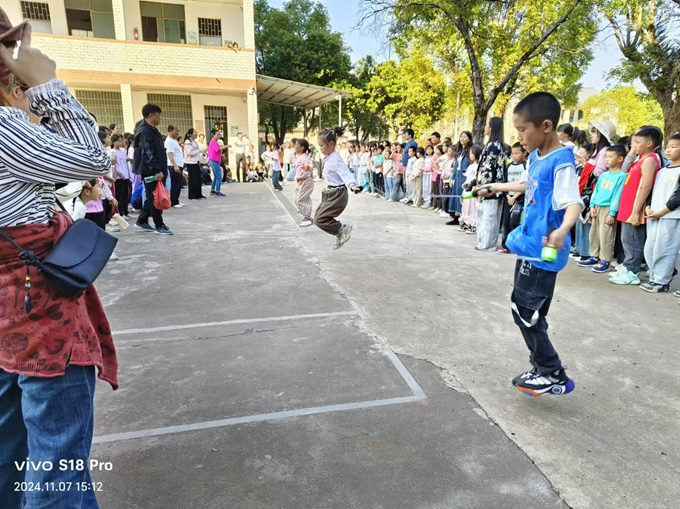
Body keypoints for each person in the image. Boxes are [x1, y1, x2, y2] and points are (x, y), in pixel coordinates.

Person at [0, 20, 118, 508]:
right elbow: (93, 157)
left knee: (12, 449)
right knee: (57, 463)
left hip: (8, 310)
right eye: (11, 46)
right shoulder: (5, 130)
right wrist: (48, 85)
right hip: (41, 310)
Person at [477, 92, 582, 396]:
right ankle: (542, 367)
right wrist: (495, 187)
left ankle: (552, 373)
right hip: (529, 246)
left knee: (526, 312)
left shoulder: (561, 163)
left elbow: (572, 202)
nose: (519, 136)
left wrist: (563, 229)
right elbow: (528, 185)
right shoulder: (537, 157)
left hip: (543, 251)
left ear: (546, 126)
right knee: (524, 309)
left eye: (523, 130)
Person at [610, 126, 663, 285]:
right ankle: (627, 268)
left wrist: (636, 211)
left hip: (635, 209)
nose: (634, 145)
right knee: (626, 240)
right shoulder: (638, 159)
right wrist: (632, 153)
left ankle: (632, 272)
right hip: (627, 208)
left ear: (649, 144)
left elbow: (646, 186)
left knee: (633, 242)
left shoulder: (649, 160)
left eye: (637, 142)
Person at [578, 145, 627, 273]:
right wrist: (592, 205)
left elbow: (617, 195)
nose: (607, 159)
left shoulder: (621, 176)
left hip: (608, 208)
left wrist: (612, 213)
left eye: (610, 157)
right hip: (597, 207)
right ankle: (594, 256)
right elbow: (596, 191)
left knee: (606, 235)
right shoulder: (604, 175)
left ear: (620, 158)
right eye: (606, 156)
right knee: (593, 233)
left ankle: (605, 259)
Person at [641, 133, 680, 292]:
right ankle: (656, 277)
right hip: (654, 215)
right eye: (668, 147)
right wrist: (648, 207)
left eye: (674, 147)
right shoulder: (663, 170)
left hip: (670, 216)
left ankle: (661, 282)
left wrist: (662, 212)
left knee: (665, 249)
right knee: (650, 248)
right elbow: (654, 191)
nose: (669, 150)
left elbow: (677, 197)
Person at [314, 127, 362, 249]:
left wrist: (352, 185)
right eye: (319, 146)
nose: (320, 149)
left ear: (331, 144)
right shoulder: (329, 157)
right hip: (330, 192)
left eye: (322, 146)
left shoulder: (335, 159)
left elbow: (345, 173)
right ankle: (340, 232)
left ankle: (342, 229)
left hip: (338, 194)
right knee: (317, 217)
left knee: (319, 219)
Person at [134, 103, 173, 234]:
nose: (160, 118)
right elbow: (147, 153)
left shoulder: (151, 130)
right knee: (155, 197)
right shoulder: (145, 131)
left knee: (153, 196)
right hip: (150, 170)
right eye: (158, 115)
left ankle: (142, 220)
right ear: (151, 115)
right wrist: (157, 170)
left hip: (155, 169)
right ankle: (159, 225)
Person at [475, 117, 509, 251]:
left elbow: (488, 170)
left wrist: (481, 187)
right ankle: (487, 243)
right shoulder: (498, 146)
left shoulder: (493, 146)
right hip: (496, 188)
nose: (485, 127)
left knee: (488, 218)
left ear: (492, 128)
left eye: (487, 125)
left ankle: (486, 244)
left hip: (490, 188)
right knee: (490, 217)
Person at [499, 142, 528, 252]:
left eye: (517, 153)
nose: (514, 156)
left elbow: (526, 184)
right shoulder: (509, 166)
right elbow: (505, 182)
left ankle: (517, 244)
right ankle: (506, 246)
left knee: (515, 222)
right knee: (506, 222)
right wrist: (508, 196)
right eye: (512, 154)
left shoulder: (526, 166)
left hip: (520, 198)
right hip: (508, 197)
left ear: (524, 153)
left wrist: (515, 196)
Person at [447, 131, 472, 225]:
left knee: (463, 197)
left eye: (465, 137)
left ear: (469, 139)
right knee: (456, 196)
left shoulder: (470, 151)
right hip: (457, 176)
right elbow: (456, 165)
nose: (462, 139)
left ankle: (464, 218)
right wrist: (452, 178)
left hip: (465, 176)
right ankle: (456, 217)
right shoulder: (459, 151)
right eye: (461, 137)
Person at [460, 144, 483, 233]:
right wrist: (465, 183)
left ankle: (474, 225)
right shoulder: (470, 166)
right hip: (467, 189)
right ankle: (467, 223)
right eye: (470, 153)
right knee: (466, 207)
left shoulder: (478, 166)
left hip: (473, 189)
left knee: (473, 207)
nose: (470, 155)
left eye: (472, 153)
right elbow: (468, 178)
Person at [294, 138, 314, 227]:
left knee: (301, 199)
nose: (294, 147)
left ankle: (308, 217)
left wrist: (307, 168)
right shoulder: (299, 156)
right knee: (297, 198)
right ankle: (304, 212)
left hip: (306, 181)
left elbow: (309, 165)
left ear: (302, 148)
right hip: (301, 181)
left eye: (296, 145)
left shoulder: (304, 158)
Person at [111, 134, 132, 218]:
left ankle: (126, 211)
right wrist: (122, 174)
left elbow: (126, 163)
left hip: (125, 176)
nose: (120, 143)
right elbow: (116, 165)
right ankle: (121, 212)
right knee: (119, 195)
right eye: (118, 141)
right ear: (113, 142)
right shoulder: (112, 152)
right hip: (119, 177)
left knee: (125, 195)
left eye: (121, 141)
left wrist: (128, 174)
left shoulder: (123, 151)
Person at [164, 125, 184, 209]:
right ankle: (174, 202)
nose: (177, 133)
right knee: (175, 184)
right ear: (171, 130)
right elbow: (170, 154)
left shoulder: (174, 141)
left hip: (178, 165)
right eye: (176, 130)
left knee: (178, 184)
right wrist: (175, 165)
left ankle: (176, 200)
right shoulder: (170, 141)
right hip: (174, 166)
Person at [183, 128, 205, 200]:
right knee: (192, 180)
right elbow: (190, 153)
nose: (196, 134)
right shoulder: (187, 142)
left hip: (196, 162)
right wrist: (199, 151)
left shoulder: (194, 142)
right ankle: (192, 195)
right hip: (190, 163)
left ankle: (198, 194)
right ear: (190, 134)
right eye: (195, 132)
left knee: (198, 179)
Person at [208, 130, 228, 197]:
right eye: (217, 134)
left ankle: (213, 190)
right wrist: (226, 146)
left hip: (214, 160)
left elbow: (215, 151)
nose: (219, 136)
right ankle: (217, 191)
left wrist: (221, 155)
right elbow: (218, 149)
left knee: (216, 176)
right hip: (214, 161)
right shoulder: (213, 142)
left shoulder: (214, 142)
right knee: (219, 176)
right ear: (214, 135)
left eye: (219, 134)